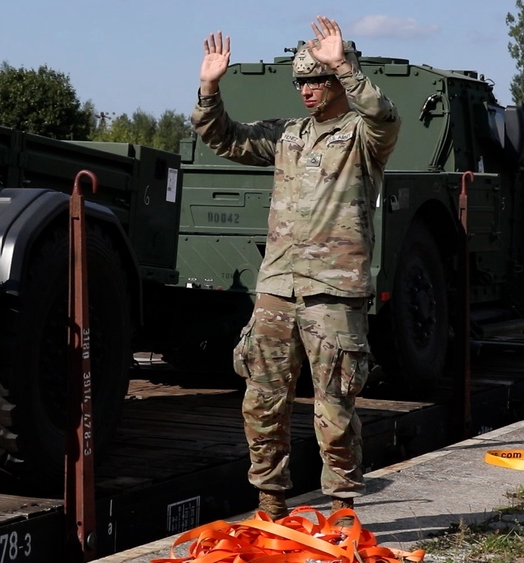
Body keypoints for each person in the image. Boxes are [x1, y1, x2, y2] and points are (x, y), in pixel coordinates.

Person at [191, 16, 401, 520]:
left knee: (335, 406)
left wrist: (345, 67)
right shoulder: (287, 135)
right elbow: (223, 138)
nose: (307, 90)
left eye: (317, 79)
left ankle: (343, 511)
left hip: (333, 291)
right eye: (301, 81)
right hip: (278, 289)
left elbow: (385, 115)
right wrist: (209, 86)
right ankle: (270, 505)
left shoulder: (362, 137)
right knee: (262, 401)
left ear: (336, 80)